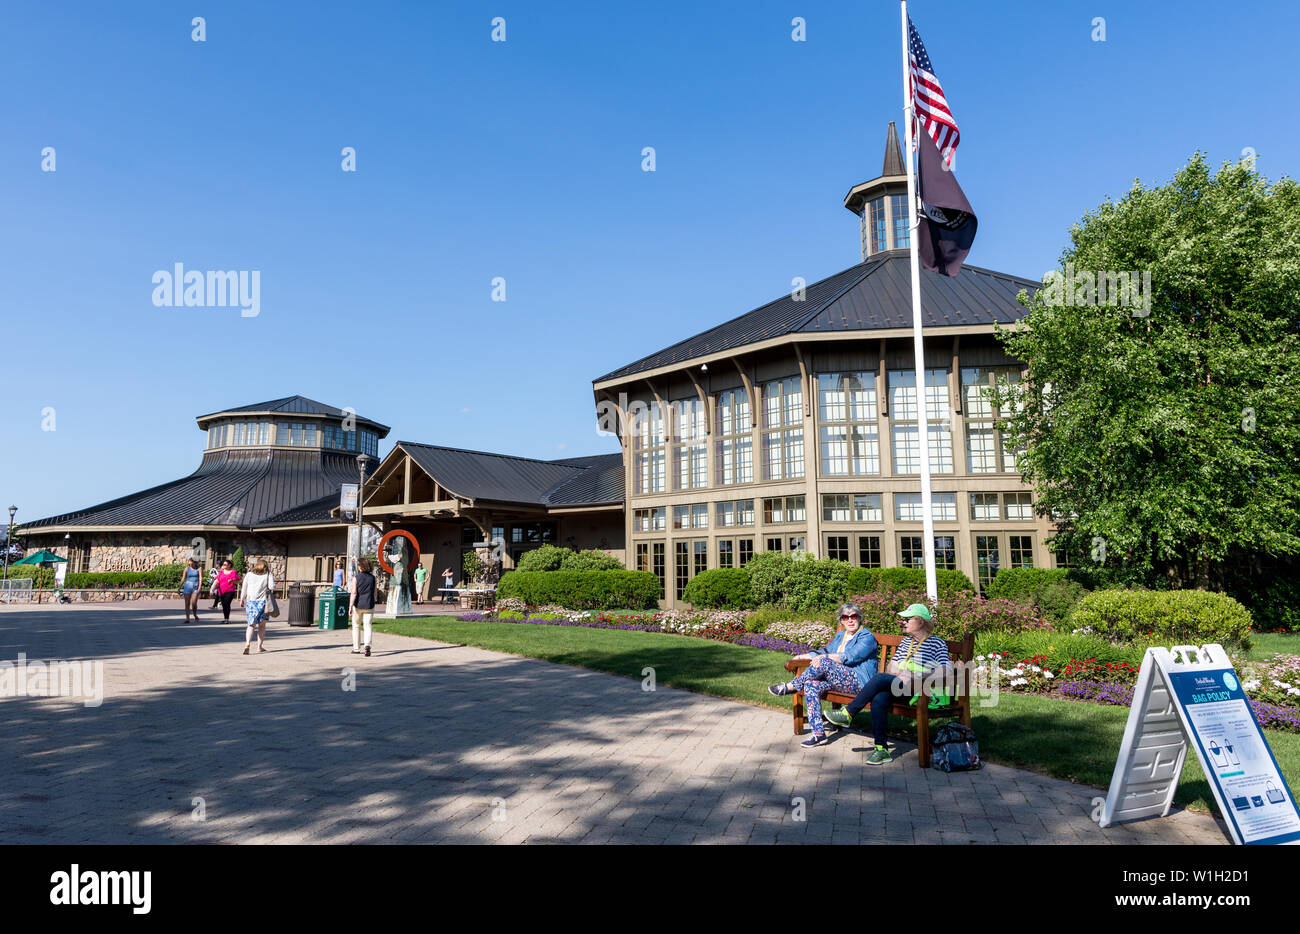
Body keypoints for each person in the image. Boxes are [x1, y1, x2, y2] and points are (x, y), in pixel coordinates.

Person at [824, 603, 953, 765]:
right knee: (879, 698)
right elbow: (891, 667)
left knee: (879, 679)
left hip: (921, 691)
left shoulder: (936, 643)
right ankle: (881, 749)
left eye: (908, 619)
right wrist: (898, 670)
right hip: (901, 687)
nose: (903, 622)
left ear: (920, 622)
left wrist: (917, 675)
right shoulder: (906, 643)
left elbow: (946, 670)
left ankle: (848, 713)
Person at [768, 603, 879, 748]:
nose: (850, 620)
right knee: (810, 684)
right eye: (846, 617)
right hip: (839, 681)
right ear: (841, 620)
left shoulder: (867, 637)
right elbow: (825, 651)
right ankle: (819, 735)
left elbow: (851, 657)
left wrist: (824, 658)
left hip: (860, 683)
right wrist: (802, 656)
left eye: (854, 616)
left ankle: (792, 686)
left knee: (824, 661)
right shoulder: (841, 635)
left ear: (859, 618)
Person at [239, 559, 275, 654]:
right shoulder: (268, 574)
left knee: (251, 625)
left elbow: (244, 588)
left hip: (250, 602)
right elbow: (272, 586)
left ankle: (247, 644)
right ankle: (259, 647)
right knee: (262, 625)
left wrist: (242, 599)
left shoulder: (249, 574)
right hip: (263, 602)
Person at [348, 557, 376, 656]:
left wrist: (350, 606)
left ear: (361, 566)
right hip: (369, 604)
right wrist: (374, 600)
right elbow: (375, 592)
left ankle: (356, 648)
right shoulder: (373, 578)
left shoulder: (356, 578)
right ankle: (367, 645)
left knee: (356, 625)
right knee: (368, 625)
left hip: (358, 605)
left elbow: (354, 593)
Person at [180, 557, 202, 623]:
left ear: (194, 562)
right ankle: (187, 618)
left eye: (192, 561)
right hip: (187, 586)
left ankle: (195, 615)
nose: (190, 563)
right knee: (187, 603)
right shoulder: (186, 569)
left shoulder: (199, 568)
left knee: (194, 603)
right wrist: (179, 587)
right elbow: (183, 578)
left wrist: (199, 587)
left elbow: (200, 578)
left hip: (195, 587)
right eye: (189, 561)